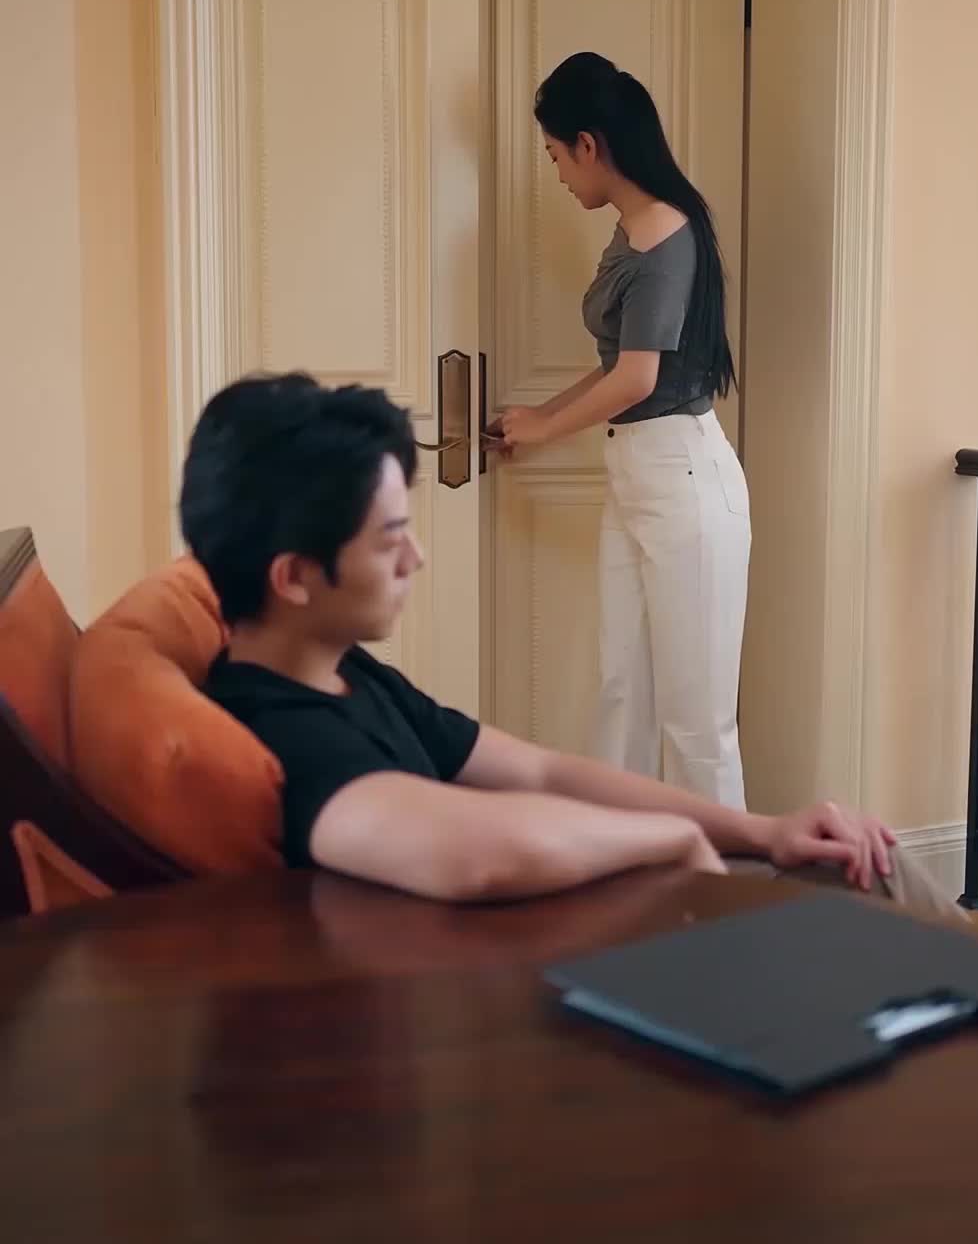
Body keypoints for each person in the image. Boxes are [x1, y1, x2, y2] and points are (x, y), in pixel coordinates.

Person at [180, 370, 902, 905]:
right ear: (294, 577)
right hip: (543, 988)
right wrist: (669, 839)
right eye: (390, 540)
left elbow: (543, 774)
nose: (416, 559)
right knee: (868, 886)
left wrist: (764, 832)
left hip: (584, 929)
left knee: (859, 863)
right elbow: (472, 853)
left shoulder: (347, 676)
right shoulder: (281, 731)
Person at [495, 52, 750, 808]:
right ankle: (622, 862)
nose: (557, 175)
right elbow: (619, 369)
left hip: (684, 481)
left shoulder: (667, 238)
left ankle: (731, 879)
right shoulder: (631, 230)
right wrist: (538, 416)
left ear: (589, 144)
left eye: (555, 157)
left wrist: (545, 429)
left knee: (698, 726)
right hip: (637, 474)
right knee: (621, 694)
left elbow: (638, 380)